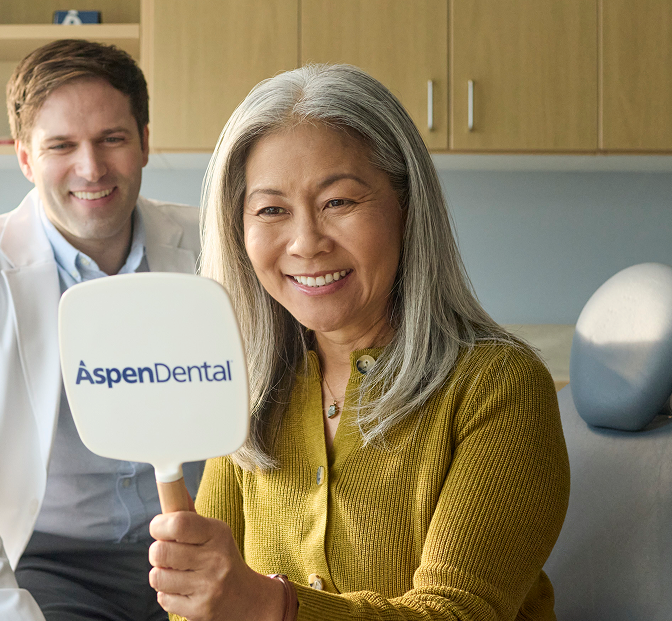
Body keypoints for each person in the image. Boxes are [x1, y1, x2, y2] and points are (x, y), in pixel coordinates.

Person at [147, 64, 571, 621]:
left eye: (339, 202)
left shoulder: (500, 389)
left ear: (407, 207)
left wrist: (269, 604)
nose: (306, 244)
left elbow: (458, 615)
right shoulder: (249, 388)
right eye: (271, 209)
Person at [0, 39, 203, 621]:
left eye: (111, 139)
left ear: (144, 141)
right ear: (25, 157)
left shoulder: (213, 245)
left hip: (200, 544)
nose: (90, 168)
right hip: (54, 564)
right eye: (61, 145)